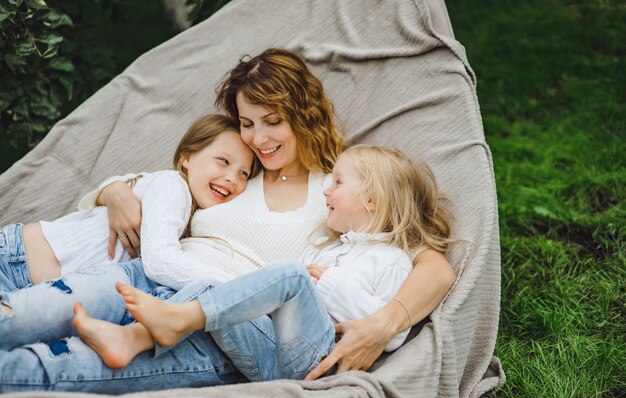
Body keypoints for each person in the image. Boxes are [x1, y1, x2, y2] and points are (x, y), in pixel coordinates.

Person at [0, 48, 455, 394]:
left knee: (49, 366)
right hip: (142, 274)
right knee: (21, 316)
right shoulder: (241, 168)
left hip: (222, 324)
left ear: (303, 113)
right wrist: (113, 189)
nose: (257, 138)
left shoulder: (342, 190)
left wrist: (385, 323)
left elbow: (430, 264)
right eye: (247, 122)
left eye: (272, 121)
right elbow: (172, 180)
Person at [73, 144, 453, 383]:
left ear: (371, 200)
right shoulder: (329, 245)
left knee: (288, 274)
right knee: (213, 289)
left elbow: (394, 332)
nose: (327, 189)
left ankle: (166, 324)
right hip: (272, 348)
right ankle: (131, 338)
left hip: (314, 362)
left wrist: (328, 286)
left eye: (337, 182)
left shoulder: (392, 260)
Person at [0, 113, 258, 348]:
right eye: (223, 161)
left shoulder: (189, 212)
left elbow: (127, 183)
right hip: (15, 264)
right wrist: (245, 289)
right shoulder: (172, 185)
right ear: (187, 158)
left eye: (244, 173)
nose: (232, 178)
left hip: (39, 289)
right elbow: (160, 261)